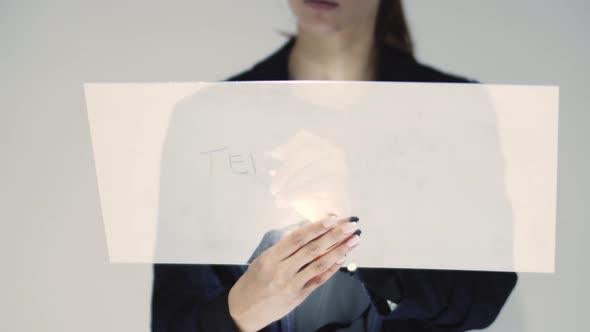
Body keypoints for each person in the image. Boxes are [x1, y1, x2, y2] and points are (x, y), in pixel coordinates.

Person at [151, 0, 517, 331]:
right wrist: (242, 309)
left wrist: (360, 228)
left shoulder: (453, 112)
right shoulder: (207, 119)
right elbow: (173, 318)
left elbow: (483, 298)